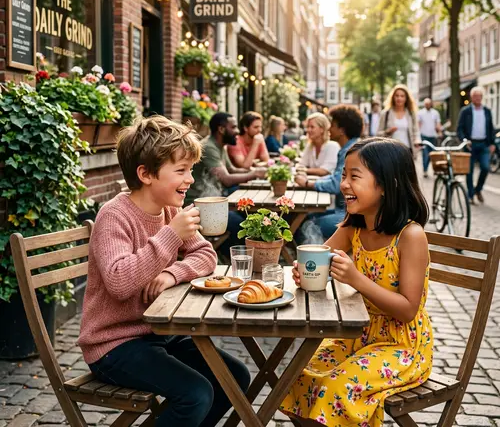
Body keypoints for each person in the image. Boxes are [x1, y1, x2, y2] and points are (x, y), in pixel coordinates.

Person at [78, 116, 251, 427]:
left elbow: (205, 255)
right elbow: (118, 281)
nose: (190, 179)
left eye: (191, 169)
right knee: (196, 393)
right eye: (181, 170)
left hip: (157, 335)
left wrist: (172, 274)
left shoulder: (170, 209)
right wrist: (171, 235)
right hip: (113, 345)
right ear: (145, 174)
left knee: (235, 377)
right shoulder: (114, 216)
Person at [281, 138, 433, 427]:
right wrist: (307, 272)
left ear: (387, 183)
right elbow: (319, 258)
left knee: (336, 388)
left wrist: (355, 278)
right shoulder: (354, 224)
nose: (344, 184)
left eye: (354, 176)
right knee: (298, 376)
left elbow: (407, 310)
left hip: (401, 347)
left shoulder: (410, 236)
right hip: (358, 334)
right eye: (343, 175)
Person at [186, 112, 267, 252]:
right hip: (200, 205)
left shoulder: (220, 146)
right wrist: (254, 174)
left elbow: (232, 170)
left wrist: (256, 171)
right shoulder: (209, 147)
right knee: (242, 224)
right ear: (221, 129)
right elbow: (227, 179)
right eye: (234, 127)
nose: (237, 131)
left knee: (247, 213)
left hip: (214, 200)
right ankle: (226, 254)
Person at [295, 105, 364, 240]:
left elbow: (336, 184)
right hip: (346, 210)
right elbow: (335, 177)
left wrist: (308, 183)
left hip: (352, 214)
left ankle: (316, 260)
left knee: (309, 224)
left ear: (342, 130)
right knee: (305, 218)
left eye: (332, 125)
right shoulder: (350, 148)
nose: (329, 128)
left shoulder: (352, 152)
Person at [457, 86, 496, 205]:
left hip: (484, 144)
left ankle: (478, 190)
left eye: (479, 96)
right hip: (470, 145)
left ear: (482, 97)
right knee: (469, 171)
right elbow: (460, 129)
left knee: (485, 167)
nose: (477, 98)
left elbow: (491, 128)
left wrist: (492, 143)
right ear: (471, 97)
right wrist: (464, 140)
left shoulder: (487, 111)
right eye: (475, 96)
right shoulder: (465, 111)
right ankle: (470, 195)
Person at [378, 84, 421, 156]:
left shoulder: (411, 114)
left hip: (407, 151)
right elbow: (378, 134)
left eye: (402, 96)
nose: (399, 98)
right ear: (393, 97)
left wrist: (417, 141)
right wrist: (387, 132)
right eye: (397, 95)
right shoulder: (385, 114)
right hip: (390, 151)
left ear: (406, 98)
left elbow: (416, 131)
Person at [418, 97, 442, 178]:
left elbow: (438, 123)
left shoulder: (435, 113)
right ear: (424, 104)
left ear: (431, 104)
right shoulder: (420, 113)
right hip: (424, 136)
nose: (427, 105)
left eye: (429, 103)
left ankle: (435, 170)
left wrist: (439, 132)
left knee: (433, 154)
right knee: (425, 154)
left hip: (433, 136)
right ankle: (425, 170)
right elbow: (419, 124)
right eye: (426, 104)